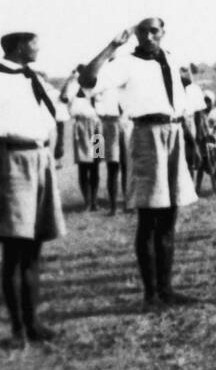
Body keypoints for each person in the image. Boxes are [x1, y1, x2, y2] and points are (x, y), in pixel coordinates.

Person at [79, 18, 197, 307]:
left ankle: (166, 289)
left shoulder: (171, 59)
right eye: (142, 31)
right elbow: (87, 81)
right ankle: (150, 294)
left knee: (169, 217)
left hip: (174, 134)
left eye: (154, 30)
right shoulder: (125, 63)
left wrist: (191, 140)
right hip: (144, 134)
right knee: (148, 218)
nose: (148, 36)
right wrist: (112, 46)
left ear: (163, 32)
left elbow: (181, 100)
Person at [0, 32, 67, 344]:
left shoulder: (31, 79)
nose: (39, 47)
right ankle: (17, 329)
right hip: (13, 163)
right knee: (14, 250)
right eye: (35, 42)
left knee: (34, 249)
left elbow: (55, 116)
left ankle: (32, 322)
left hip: (40, 160)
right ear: (20, 46)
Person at [92, 83, 126, 215]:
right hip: (98, 128)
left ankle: (122, 203)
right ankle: (93, 202)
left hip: (117, 125)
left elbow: (124, 108)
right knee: (96, 163)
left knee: (122, 165)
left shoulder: (119, 87)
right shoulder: (95, 86)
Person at [69, 88, 102, 211]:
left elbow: (103, 109)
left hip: (96, 128)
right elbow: (72, 110)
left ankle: (94, 200)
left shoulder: (98, 93)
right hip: (82, 129)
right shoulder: (77, 95)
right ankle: (87, 201)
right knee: (83, 166)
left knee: (95, 167)